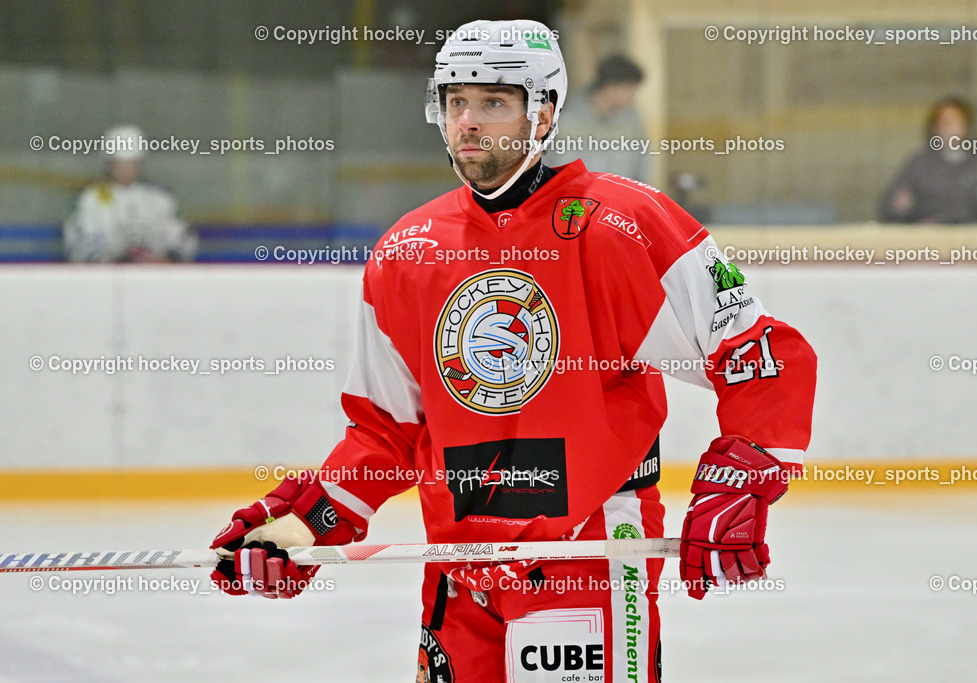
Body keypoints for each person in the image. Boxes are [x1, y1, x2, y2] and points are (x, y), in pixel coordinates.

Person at [209, 19, 816, 682]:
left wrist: (743, 477)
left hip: (587, 563)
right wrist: (303, 524)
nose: (468, 122)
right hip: (460, 574)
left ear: (545, 110)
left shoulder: (621, 226)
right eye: (455, 102)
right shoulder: (409, 252)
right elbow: (386, 431)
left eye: (494, 103)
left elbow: (762, 356)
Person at [63, 125, 196, 262]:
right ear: (108, 163)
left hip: (155, 274)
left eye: (131, 163)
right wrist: (110, 261)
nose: (126, 169)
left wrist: (166, 259)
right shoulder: (89, 199)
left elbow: (182, 238)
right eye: (120, 163)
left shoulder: (160, 198)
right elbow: (78, 242)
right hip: (105, 276)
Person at [878, 97, 977, 223]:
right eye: (945, 123)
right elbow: (889, 206)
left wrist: (945, 220)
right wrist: (898, 208)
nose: (950, 128)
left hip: (971, 237)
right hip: (927, 237)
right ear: (934, 128)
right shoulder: (919, 163)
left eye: (956, 122)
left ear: (967, 126)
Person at [546, 54, 651, 183]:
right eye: (629, 90)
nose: (633, 98)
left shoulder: (633, 124)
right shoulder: (565, 122)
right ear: (610, 86)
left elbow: (642, 170)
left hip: (620, 200)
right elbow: (551, 171)